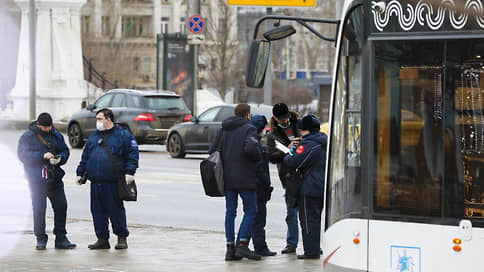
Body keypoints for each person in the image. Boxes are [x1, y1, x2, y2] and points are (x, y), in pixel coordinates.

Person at [76, 108, 139, 250]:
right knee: (97, 212)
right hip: (96, 182)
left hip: (112, 182)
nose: (97, 122)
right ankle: (102, 239)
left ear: (108, 119)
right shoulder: (94, 136)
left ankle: (121, 237)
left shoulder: (122, 135)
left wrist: (130, 171)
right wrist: (80, 172)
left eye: (99, 119)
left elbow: (132, 154)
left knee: (115, 210)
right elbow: (85, 156)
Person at [209, 103, 262, 261]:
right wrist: (258, 157)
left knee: (230, 212)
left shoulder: (224, 128)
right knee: (251, 209)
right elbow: (251, 148)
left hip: (227, 178)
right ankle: (243, 245)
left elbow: (212, 150)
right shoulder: (249, 128)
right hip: (245, 177)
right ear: (247, 115)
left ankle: (230, 248)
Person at [17, 112, 76, 250]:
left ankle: (61, 238)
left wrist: (60, 157)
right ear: (38, 125)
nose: (47, 129)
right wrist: (42, 156)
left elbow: (65, 151)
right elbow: (22, 155)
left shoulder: (56, 135)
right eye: (45, 127)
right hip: (36, 180)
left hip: (54, 178)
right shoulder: (28, 136)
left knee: (61, 206)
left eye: (49, 127)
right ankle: (41, 238)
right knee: (39, 209)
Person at [283, 115, 327, 259]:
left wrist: (290, 150)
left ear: (305, 129)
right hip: (321, 186)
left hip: (309, 187)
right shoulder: (324, 141)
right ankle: (314, 248)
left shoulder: (308, 145)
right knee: (315, 219)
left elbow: (292, 162)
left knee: (308, 221)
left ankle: (311, 251)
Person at [264, 103, 301, 254]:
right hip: (288, 176)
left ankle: (313, 243)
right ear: (275, 118)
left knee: (307, 212)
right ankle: (291, 244)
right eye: (281, 119)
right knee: (291, 212)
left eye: (286, 118)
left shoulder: (300, 124)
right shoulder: (272, 135)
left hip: (305, 172)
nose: (284, 121)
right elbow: (271, 156)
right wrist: (288, 149)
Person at [249, 115, 276, 257]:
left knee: (252, 217)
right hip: (258, 187)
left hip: (251, 186)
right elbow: (260, 169)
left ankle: (243, 245)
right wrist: (267, 185)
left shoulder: (250, 141)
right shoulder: (256, 144)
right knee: (258, 218)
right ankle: (260, 247)